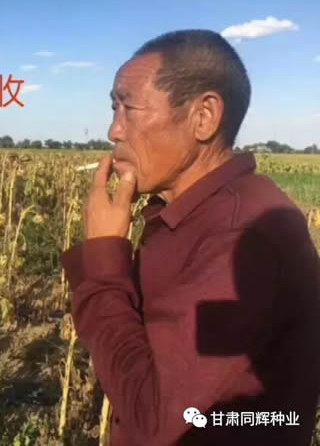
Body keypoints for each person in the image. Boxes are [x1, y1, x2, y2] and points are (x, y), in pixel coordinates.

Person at [61, 29, 320, 445]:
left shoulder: (240, 237)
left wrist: (104, 261)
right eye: (113, 108)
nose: (114, 130)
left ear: (203, 117)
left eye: (129, 108)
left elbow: (160, 422)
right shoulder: (194, 215)